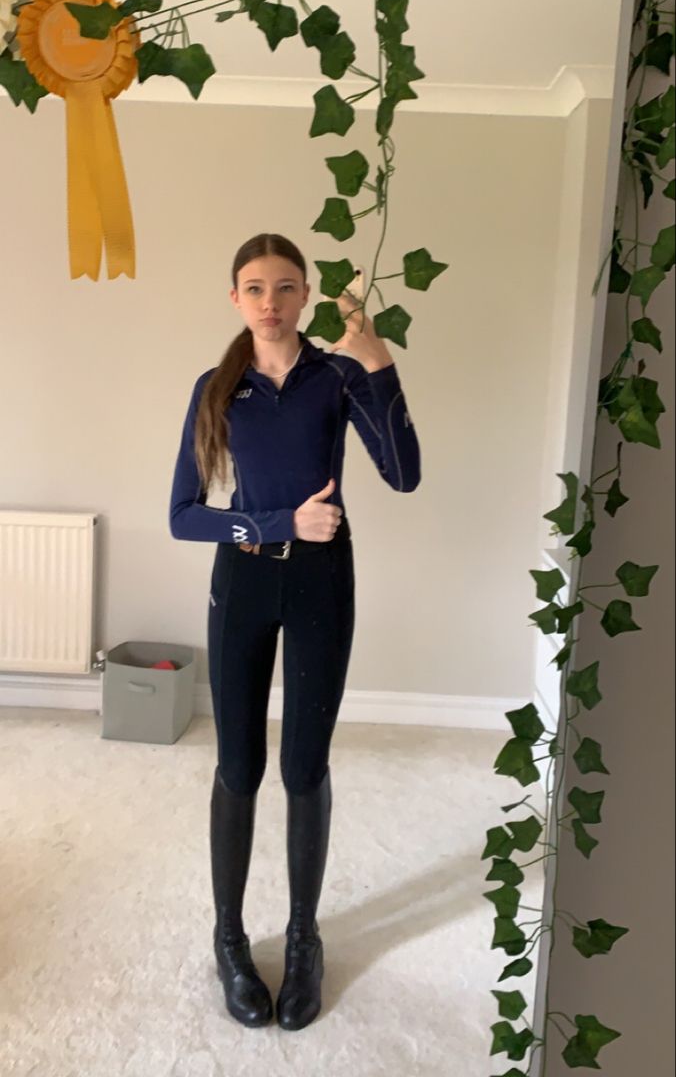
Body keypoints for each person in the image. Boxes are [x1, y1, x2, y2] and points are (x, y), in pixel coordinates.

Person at [169, 232, 421, 1031]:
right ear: (235, 298)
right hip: (243, 580)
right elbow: (183, 516)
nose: (269, 302)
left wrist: (377, 360)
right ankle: (231, 939)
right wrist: (278, 520)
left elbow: (404, 471)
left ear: (306, 295)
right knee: (238, 766)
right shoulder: (218, 386)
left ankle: (305, 939)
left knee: (304, 767)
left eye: (284, 287)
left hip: (322, 584)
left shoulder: (337, 376)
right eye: (253, 288)